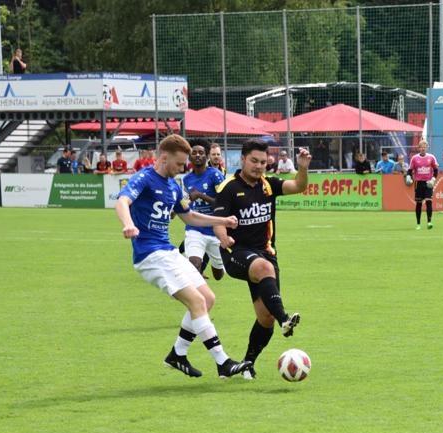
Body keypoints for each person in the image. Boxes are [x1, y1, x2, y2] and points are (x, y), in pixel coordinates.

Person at [114, 134, 250, 379]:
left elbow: (190, 217)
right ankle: (223, 362)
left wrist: (223, 220)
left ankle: (178, 354)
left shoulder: (173, 186)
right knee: (196, 303)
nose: (182, 168)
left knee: (207, 298)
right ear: (164, 158)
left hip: (168, 251)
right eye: (178, 163)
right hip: (150, 255)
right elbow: (122, 201)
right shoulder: (144, 178)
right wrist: (127, 224)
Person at [212, 139, 311, 379]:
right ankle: (285, 319)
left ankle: (247, 364)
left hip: (265, 254)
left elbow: (298, 185)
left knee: (264, 318)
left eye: (263, 162)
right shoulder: (228, 187)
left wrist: (303, 167)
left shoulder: (269, 185)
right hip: (235, 254)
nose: (258, 166)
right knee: (263, 268)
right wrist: (224, 238)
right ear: (243, 159)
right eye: (254, 161)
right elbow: (218, 221)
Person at [179, 138, 226, 281]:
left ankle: (218, 265)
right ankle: (198, 298)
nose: (198, 155)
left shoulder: (215, 175)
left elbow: (222, 203)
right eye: (194, 153)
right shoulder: (187, 179)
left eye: (201, 152)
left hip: (215, 230)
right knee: (194, 264)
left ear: (206, 156)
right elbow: (187, 200)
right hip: (195, 228)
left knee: (218, 275)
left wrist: (200, 195)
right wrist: (177, 208)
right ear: (190, 156)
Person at [408, 141, 439, 230]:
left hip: (428, 183)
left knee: (429, 201)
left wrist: (433, 179)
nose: (423, 148)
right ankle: (418, 224)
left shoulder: (431, 157)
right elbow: (410, 170)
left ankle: (429, 222)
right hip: (418, 183)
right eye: (421, 147)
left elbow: (436, 170)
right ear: (419, 148)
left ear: (427, 148)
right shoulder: (414, 158)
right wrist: (409, 177)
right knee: (419, 203)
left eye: (425, 147)